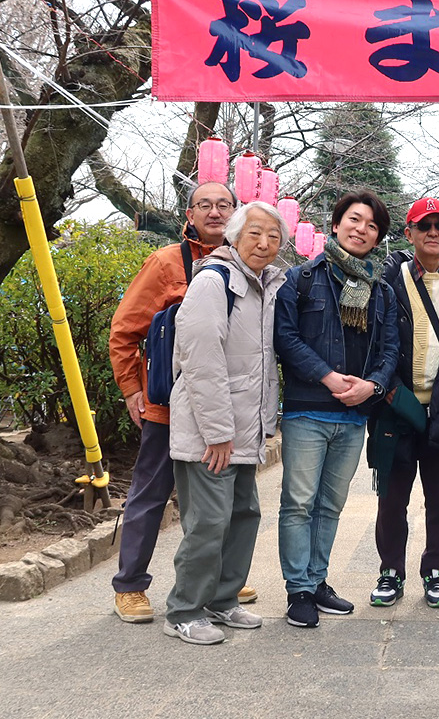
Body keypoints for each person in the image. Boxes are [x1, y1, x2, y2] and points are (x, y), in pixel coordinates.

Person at [108, 181, 258, 622]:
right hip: (169, 409)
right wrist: (133, 390)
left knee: (220, 500)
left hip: (221, 411)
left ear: (236, 214)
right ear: (188, 215)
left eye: (224, 205)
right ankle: (130, 585)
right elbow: (125, 330)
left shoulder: (249, 266)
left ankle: (214, 582)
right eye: (204, 205)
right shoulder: (165, 262)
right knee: (151, 494)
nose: (214, 212)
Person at [162, 201, 289, 645]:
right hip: (211, 432)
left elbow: (261, 364)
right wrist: (216, 433)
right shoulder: (214, 282)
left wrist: (263, 423)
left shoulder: (264, 286)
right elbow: (201, 361)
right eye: (254, 233)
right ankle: (184, 609)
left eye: (273, 236)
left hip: (244, 429)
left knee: (243, 514)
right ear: (234, 235)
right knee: (209, 520)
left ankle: (221, 598)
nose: (264, 242)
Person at [274, 190, 399, 628]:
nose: (361, 229)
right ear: (336, 223)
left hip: (353, 414)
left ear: (378, 236)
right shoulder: (302, 278)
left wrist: (372, 385)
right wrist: (327, 376)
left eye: (371, 225)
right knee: (298, 503)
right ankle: (299, 590)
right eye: (354, 219)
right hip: (308, 410)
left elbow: (390, 350)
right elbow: (286, 338)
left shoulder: (381, 291)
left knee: (330, 504)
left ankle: (318, 579)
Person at [368, 197, 439, 609]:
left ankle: (436, 569)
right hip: (396, 404)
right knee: (392, 497)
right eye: (424, 226)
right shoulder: (387, 278)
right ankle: (390, 570)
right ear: (410, 233)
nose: (433, 232)